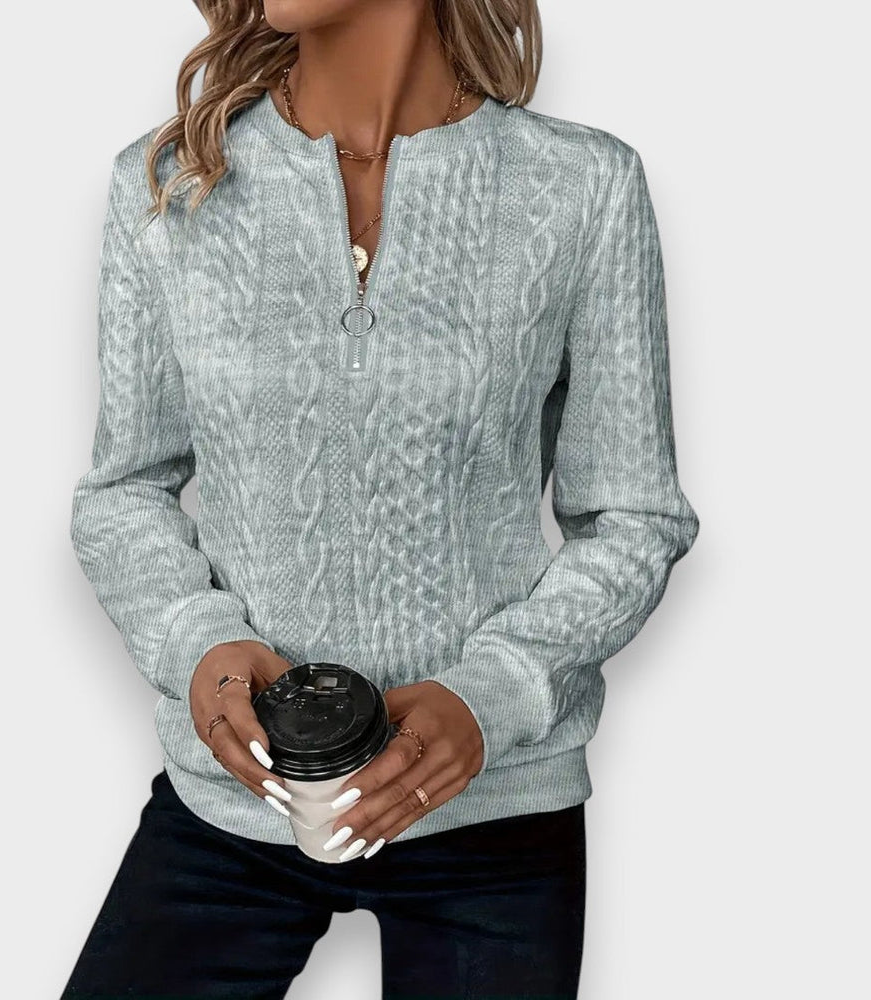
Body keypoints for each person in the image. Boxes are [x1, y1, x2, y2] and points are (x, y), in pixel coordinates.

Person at [61, 1, 700, 997]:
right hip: (237, 805)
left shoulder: (582, 187)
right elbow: (122, 490)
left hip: (492, 815)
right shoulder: (173, 184)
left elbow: (632, 519)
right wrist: (198, 646)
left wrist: (490, 695)